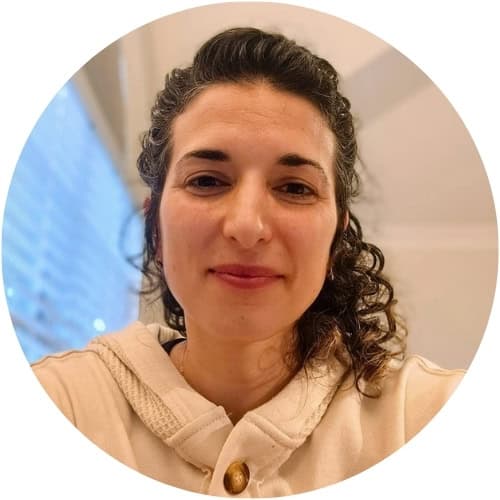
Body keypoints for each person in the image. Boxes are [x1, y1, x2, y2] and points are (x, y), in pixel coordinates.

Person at [32, 27, 465, 497]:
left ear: (336, 241)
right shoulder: (58, 405)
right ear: (155, 227)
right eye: (206, 180)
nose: (247, 225)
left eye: (295, 187)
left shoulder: (428, 415)